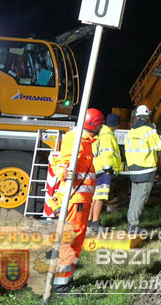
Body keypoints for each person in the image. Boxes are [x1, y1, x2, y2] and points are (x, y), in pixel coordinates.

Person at [48, 108, 104, 293]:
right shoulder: (76, 138)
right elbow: (60, 161)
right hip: (75, 200)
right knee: (70, 241)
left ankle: (64, 281)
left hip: (80, 200)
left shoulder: (86, 141)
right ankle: (61, 285)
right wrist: (64, 173)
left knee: (75, 241)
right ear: (94, 125)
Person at [124, 105, 161, 234]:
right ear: (147, 117)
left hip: (133, 170)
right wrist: (156, 132)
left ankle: (131, 223)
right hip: (146, 170)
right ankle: (133, 226)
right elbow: (160, 145)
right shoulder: (149, 131)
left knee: (135, 197)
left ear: (136, 117)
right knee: (141, 198)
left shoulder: (131, 132)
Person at [87, 113, 123, 235]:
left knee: (95, 196)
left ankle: (90, 221)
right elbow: (107, 153)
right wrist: (109, 169)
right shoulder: (108, 135)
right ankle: (96, 223)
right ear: (115, 125)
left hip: (98, 168)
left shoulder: (101, 133)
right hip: (105, 170)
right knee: (100, 196)